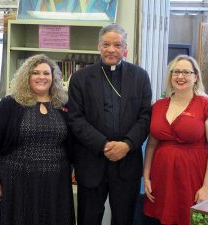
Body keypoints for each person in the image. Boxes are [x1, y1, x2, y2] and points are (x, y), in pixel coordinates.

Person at [68, 23, 152, 225]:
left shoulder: (140, 77)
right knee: (88, 219)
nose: (111, 49)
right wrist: (103, 144)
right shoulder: (80, 78)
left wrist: (128, 144)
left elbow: (145, 116)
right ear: (99, 47)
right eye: (106, 44)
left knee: (124, 219)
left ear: (125, 48)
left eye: (117, 44)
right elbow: (75, 119)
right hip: (91, 161)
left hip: (127, 162)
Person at [0, 54, 75, 225]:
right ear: (27, 77)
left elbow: (72, 142)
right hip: (16, 183)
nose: (42, 77)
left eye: (46, 73)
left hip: (55, 184)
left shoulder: (63, 105)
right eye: (36, 73)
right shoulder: (10, 104)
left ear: (53, 77)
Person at [143, 55, 208, 225]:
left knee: (192, 220)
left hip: (193, 176)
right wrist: (146, 176)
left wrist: (207, 187)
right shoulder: (158, 106)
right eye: (176, 72)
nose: (180, 77)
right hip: (162, 176)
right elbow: (151, 144)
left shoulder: (206, 106)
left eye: (186, 72)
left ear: (195, 77)